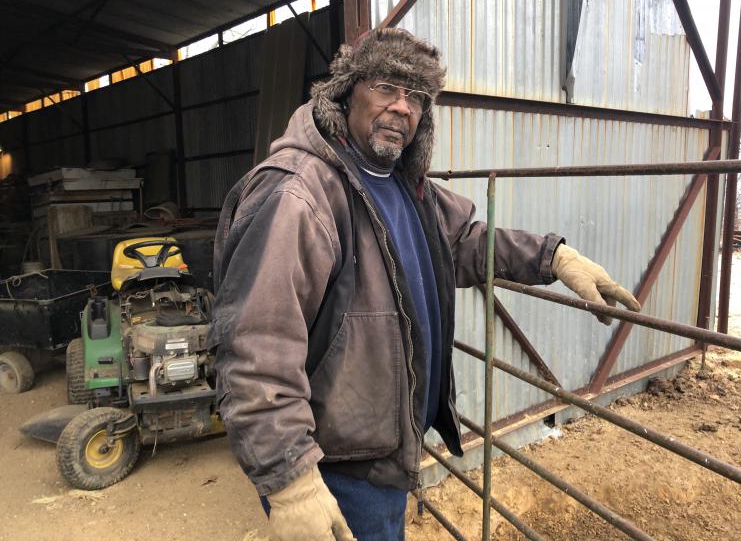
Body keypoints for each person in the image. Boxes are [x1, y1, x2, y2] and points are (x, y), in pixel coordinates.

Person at [208, 28, 641, 540]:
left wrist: (555, 257)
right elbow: (255, 342)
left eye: (416, 97)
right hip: (334, 465)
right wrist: (290, 482)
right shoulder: (301, 193)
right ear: (346, 93)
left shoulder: (404, 185)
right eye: (386, 87)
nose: (401, 107)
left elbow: (464, 243)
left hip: (384, 449)